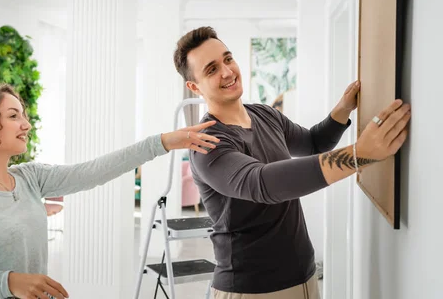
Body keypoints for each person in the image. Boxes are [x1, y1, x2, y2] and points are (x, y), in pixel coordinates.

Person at [0, 78, 220, 299]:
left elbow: (94, 171)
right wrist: (7, 283)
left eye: (23, 114)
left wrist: (163, 142)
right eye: (13, 116)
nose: (26, 124)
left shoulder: (29, 178)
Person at [172, 27, 411, 299]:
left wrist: (343, 109)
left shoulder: (264, 114)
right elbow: (261, 183)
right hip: (251, 289)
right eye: (212, 69)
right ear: (194, 86)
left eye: (228, 59)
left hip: (304, 276)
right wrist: (358, 154)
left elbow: (312, 144)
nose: (227, 72)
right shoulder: (206, 143)